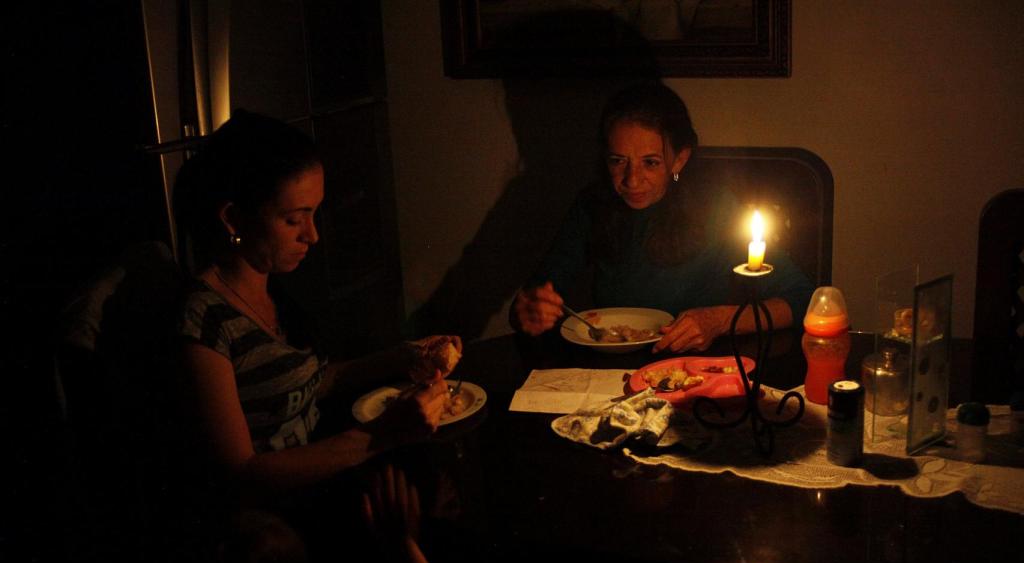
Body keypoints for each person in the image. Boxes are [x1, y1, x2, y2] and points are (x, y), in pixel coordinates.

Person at [174, 110, 460, 509]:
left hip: (326, 492)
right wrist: (382, 435)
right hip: (275, 530)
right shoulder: (205, 323)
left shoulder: (274, 289)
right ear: (234, 219)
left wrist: (401, 356)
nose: (312, 235)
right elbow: (241, 475)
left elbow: (305, 381)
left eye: (314, 214)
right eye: (293, 220)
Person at [511, 82, 813, 353]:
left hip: (696, 372)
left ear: (679, 159)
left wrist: (719, 320)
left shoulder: (716, 208)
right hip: (610, 374)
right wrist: (530, 310)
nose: (632, 179)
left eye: (650, 163)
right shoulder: (593, 204)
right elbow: (535, 296)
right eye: (618, 161)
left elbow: (801, 298)